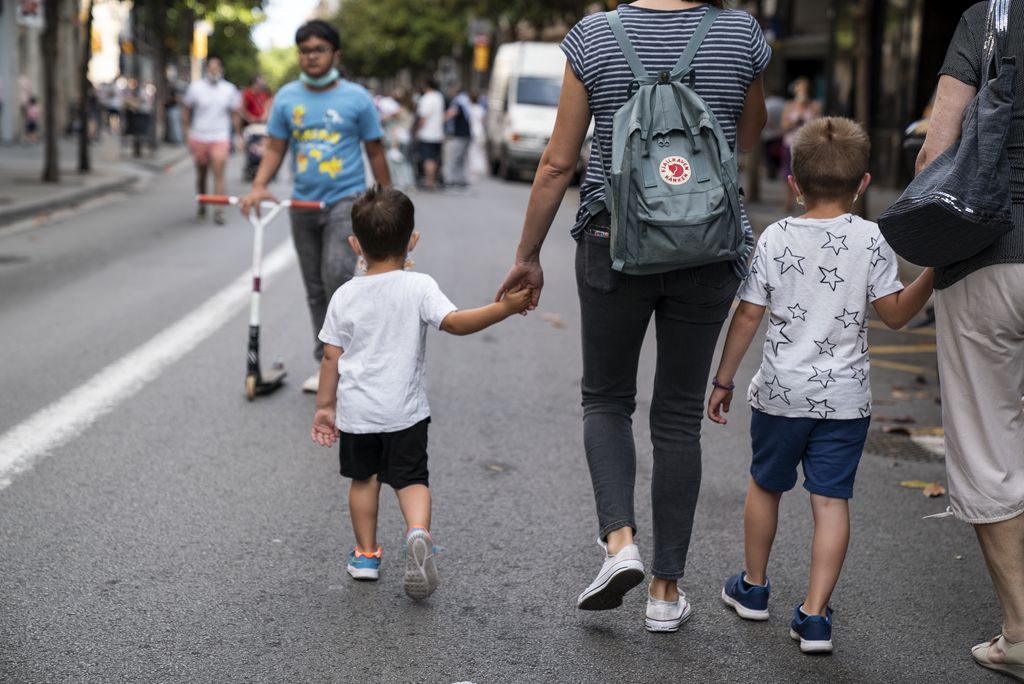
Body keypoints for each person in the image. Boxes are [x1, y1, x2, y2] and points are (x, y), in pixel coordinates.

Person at [496, 0, 770, 633]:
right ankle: (665, 593)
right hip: (708, 243)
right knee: (677, 417)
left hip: (612, 241)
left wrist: (527, 255)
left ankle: (620, 545)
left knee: (606, 401)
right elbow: (747, 135)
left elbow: (559, 163)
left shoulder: (594, 35)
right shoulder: (740, 33)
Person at [708, 117, 934, 654]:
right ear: (863, 183)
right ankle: (814, 617)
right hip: (845, 401)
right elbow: (897, 316)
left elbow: (746, 317)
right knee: (830, 502)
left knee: (766, 485)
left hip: (781, 395)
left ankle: (754, 589)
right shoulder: (873, 239)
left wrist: (723, 379)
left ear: (794, 182)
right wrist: (933, 274)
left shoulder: (776, 237)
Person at [310, 185, 532, 599]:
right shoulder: (419, 286)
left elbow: (330, 357)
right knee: (412, 480)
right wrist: (504, 307)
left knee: (363, 480)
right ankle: (417, 533)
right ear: (412, 240)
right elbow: (456, 323)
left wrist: (325, 407)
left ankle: (365, 554)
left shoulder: (344, 295)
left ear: (355, 244)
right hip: (406, 411)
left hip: (358, 413)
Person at [916, 2, 1024, 679]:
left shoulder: (990, 16)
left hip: (990, 253)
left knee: (989, 446)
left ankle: (1020, 632)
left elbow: (937, 146)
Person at [239, 20, 392, 393]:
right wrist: (259, 186)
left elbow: (374, 150)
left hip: (346, 200)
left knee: (337, 277)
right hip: (302, 204)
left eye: (319, 49)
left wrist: (387, 199)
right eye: (305, 50)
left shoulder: (357, 98)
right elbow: (275, 147)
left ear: (335, 55)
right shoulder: (287, 98)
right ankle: (326, 363)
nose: (311, 56)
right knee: (314, 289)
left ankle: (345, 364)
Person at [182, 57, 242, 224]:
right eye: (211, 68)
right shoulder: (196, 88)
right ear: (206, 69)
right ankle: (202, 204)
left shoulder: (229, 89)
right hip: (199, 136)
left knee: (218, 173)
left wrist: (238, 135)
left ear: (221, 69)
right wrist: (187, 132)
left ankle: (219, 210)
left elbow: (235, 114)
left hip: (220, 136)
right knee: (202, 174)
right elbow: (186, 109)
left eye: (217, 68)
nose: (214, 71)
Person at [780, 77, 822, 212]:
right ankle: (788, 201)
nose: (802, 90)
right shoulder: (789, 105)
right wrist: (795, 121)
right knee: (788, 174)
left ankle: (806, 201)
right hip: (790, 144)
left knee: (807, 175)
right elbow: (783, 126)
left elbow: (819, 126)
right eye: (799, 87)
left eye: (805, 88)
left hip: (807, 145)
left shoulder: (815, 106)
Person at [415, 79, 445, 190]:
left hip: (428, 133)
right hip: (438, 133)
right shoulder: (439, 97)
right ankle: (433, 179)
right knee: (435, 158)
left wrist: (417, 129)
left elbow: (423, 117)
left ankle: (429, 181)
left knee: (428, 158)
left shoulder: (426, 98)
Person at [443, 88, 473, 188]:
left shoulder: (458, 103)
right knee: (461, 159)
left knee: (453, 158)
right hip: (466, 135)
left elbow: (451, 113)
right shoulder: (466, 103)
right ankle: (461, 180)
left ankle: (451, 180)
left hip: (459, 136)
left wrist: (442, 119)